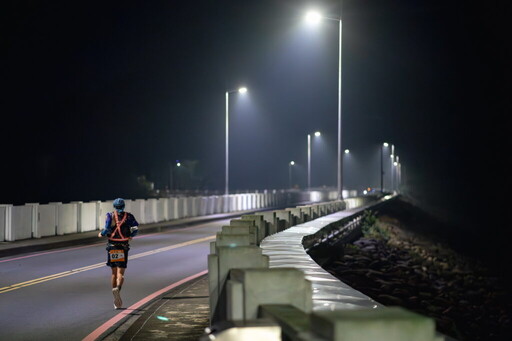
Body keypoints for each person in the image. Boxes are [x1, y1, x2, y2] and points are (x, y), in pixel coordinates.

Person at [98, 198, 139, 309]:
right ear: (123, 206)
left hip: (112, 246)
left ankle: (114, 297)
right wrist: (131, 236)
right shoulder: (129, 216)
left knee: (113, 273)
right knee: (121, 274)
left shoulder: (110, 215)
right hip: (123, 246)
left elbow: (106, 229)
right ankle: (118, 289)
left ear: (114, 206)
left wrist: (101, 234)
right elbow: (135, 228)